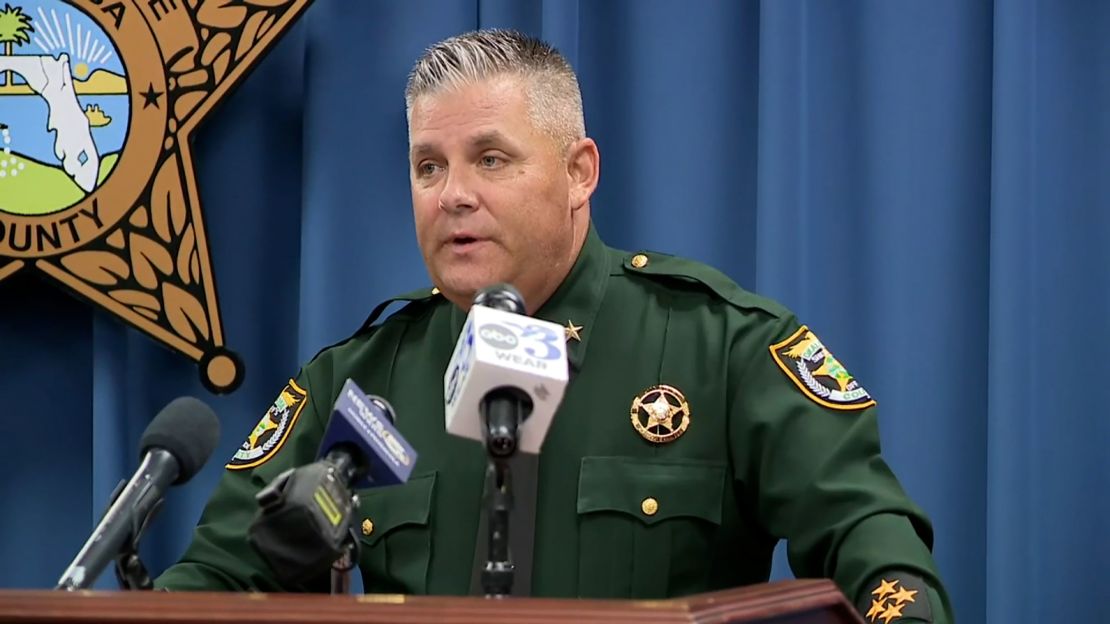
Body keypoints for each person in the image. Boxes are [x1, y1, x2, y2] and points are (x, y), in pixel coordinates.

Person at [156, 29, 951, 623]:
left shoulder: (721, 346)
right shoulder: (361, 379)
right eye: (428, 166)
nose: (452, 195)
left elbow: (868, 542)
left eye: (491, 160)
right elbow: (218, 581)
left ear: (580, 173)